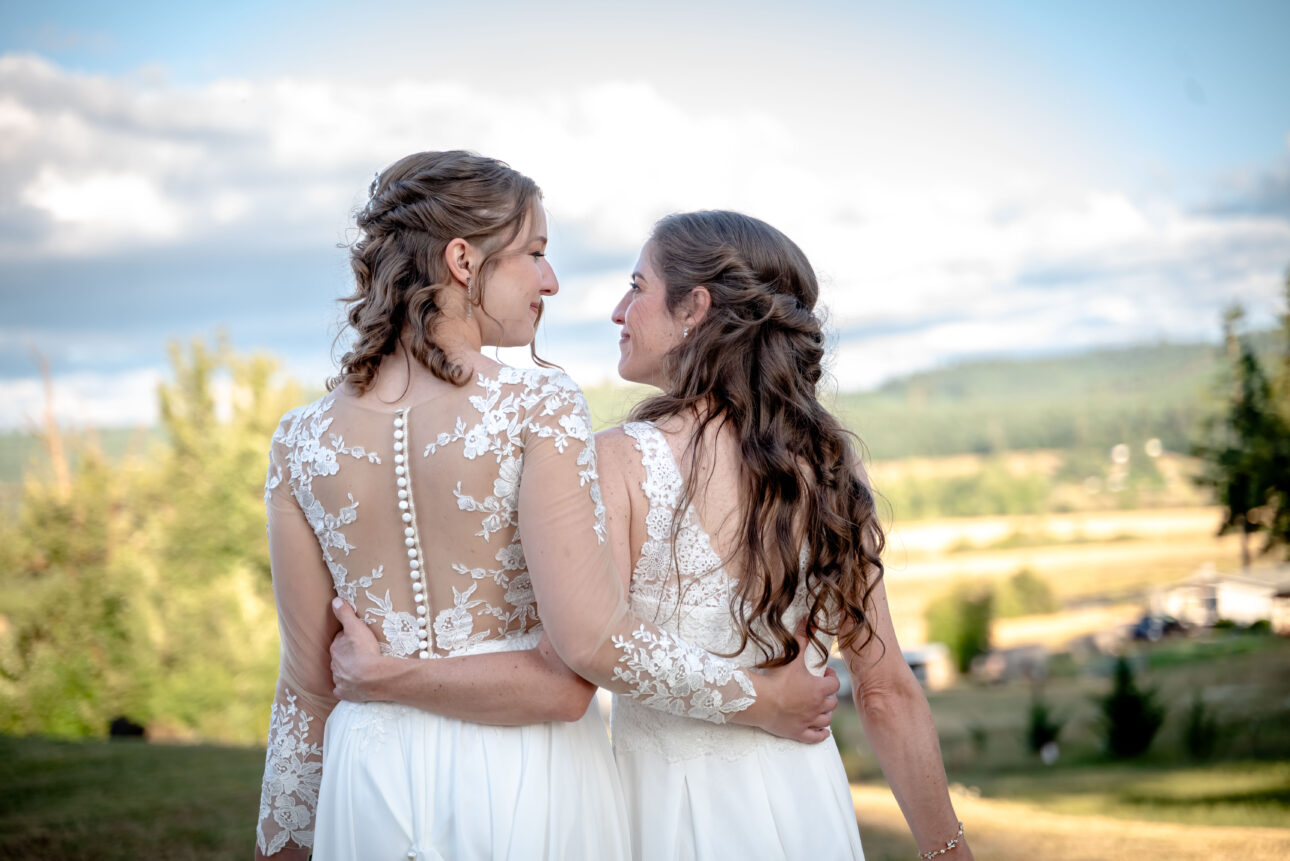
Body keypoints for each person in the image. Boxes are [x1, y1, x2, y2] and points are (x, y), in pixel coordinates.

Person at [330, 208, 973, 860]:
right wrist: (949, 850)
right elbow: (886, 692)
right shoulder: (831, 466)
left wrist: (388, 675)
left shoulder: (618, 461)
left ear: (694, 307)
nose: (619, 311)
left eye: (637, 287)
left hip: (668, 811)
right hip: (806, 801)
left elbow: (577, 656)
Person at [255, 153, 838, 860]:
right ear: (463, 261)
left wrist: (282, 848)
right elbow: (577, 666)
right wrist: (764, 700)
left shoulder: (300, 440)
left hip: (366, 775)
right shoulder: (540, 404)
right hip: (520, 775)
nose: (550, 281)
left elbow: (305, 691)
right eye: (534, 253)